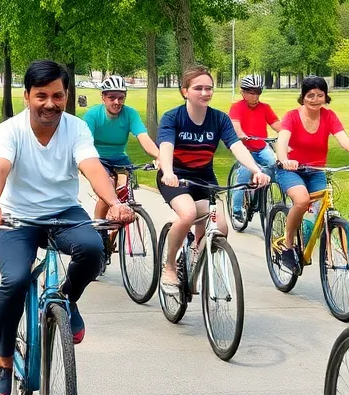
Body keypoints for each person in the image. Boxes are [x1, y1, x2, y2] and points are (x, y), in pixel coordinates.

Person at [0, 60, 135, 395]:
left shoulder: (76, 129)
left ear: (66, 96)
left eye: (58, 96)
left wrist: (112, 202)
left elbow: (92, 166)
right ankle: (4, 358)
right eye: (42, 96)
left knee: (94, 249)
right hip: (16, 218)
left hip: (63, 212)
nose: (50, 104)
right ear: (26, 96)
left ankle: (66, 297)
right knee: (14, 281)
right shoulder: (10, 130)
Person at [156, 66, 270, 294]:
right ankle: (169, 266)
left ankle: (197, 255)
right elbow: (166, 147)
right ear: (185, 91)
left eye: (209, 88)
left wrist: (255, 169)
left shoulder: (219, 119)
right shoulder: (172, 117)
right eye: (198, 88)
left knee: (221, 228)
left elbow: (237, 146)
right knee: (188, 213)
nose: (205, 93)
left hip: (204, 176)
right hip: (176, 176)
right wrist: (168, 172)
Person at [273, 77, 349, 272]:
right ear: (303, 97)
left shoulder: (329, 116)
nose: (315, 99)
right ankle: (288, 245)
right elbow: (282, 141)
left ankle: (319, 244)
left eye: (320, 95)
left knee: (321, 208)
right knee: (302, 200)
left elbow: (344, 140)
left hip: (316, 171)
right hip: (291, 170)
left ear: (325, 96)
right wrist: (284, 158)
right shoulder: (292, 116)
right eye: (310, 95)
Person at [82, 75, 159, 224]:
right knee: (108, 187)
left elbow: (143, 137)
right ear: (103, 97)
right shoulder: (93, 115)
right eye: (112, 97)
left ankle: (115, 235)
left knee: (123, 195)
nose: (117, 102)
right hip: (98, 159)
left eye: (121, 98)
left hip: (120, 159)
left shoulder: (130, 114)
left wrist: (159, 155)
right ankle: (100, 232)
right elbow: (85, 144)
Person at [227, 74, 280, 220]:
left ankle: (270, 199)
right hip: (244, 149)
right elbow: (235, 126)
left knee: (276, 169)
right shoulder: (237, 107)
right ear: (243, 92)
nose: (255, 96)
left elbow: (277, 125)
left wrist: (287, 133)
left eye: (258, 92)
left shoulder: (265, 108)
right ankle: (236, 210)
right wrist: (242, 135)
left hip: (261, 147)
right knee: (243, 178)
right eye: (251, 92)